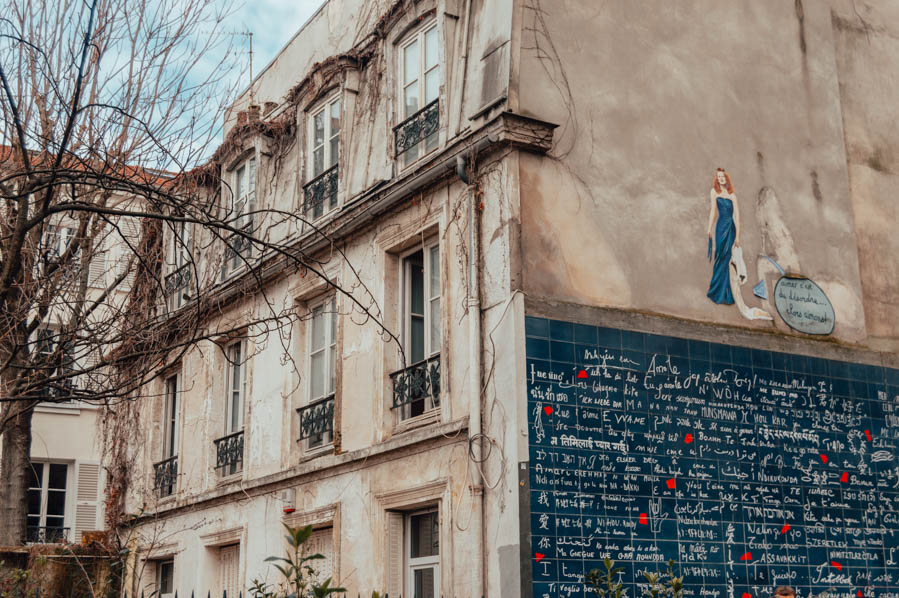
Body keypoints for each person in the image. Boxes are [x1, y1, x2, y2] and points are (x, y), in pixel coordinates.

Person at [706, 167, 740, 304]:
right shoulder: (714, 192)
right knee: (720, 256)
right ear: (717, 178)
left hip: (730, 228)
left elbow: (737, 217)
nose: (721, 178)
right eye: (719, 176)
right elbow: (713, 211)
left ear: (726, 179)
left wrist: (738, 236)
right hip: (720, 227)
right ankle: (716, 291)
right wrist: (709, 228)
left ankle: (727, 294)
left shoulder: (732, 195)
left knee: (727, 258)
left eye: (723, 176)